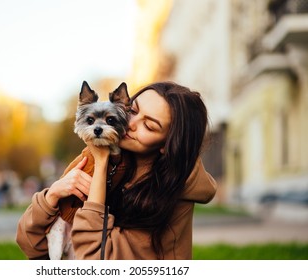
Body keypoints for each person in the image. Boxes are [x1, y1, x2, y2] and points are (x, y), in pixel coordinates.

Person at [16, 81, 217, 260]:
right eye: (133, 110)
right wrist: (51, 197)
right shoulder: (116, 161)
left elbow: (93, 260)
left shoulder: (165, 196)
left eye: (148, 125)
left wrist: (101, 163)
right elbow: (31, 245)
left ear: (168, 143)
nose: (130, 124)